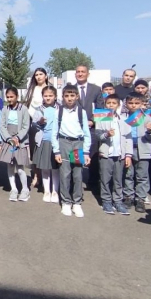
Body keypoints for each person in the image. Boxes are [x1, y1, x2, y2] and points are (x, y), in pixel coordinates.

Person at [52, 84, 91, 217]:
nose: (69, 98)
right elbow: (54, 133)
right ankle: (66, 202)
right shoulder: (59, 111)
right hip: (64, 143)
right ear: (62, 97)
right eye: (66, 96)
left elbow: (86, 133)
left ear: (77, 96)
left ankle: (77, 202)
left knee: (77, 174)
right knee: (65, 173)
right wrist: (56, 151)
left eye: (72, 96)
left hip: (77, 144)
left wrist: (86, 152)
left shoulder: (81, 112)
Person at [95, 93, 132, 215]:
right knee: (105, 178)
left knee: (118, 179)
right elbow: (98, 135)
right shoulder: (102, 117)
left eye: (114, 103)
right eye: (108, 103)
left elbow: (128, 138)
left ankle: (118, 201)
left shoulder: (123, 119)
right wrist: (106, 135)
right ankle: (106, 201)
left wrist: (128, 155)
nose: (111, 105)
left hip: (120, 154)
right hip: (106, 154)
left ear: (118, 105)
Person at [122, 92, 151, 213]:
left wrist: (149, 131)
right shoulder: (123, 117)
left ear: (142, 104)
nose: (133, 105)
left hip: (143, 149)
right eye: (130, 103)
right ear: (126, 104)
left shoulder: (147, 117)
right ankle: (128, 196)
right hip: (127, 149)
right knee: (128, 174)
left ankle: (140, 198)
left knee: (142, 175)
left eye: (137, 103)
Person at [0, 87, 31, 202]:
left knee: (20, 167)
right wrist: (8, 138)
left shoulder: (24, 109)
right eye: (7, 97)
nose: (9, 99)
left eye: (12, 97)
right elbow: (2, 126)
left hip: (19, 142)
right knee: (10, 165)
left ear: (17, 96)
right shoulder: (4, 109)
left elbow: (26, 126)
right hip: (8, 141)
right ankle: (14, 189)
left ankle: (25, 189)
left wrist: (17, 137)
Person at [74, 65, 103, 192]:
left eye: (83, 72)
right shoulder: (70, 89)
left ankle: (93, 182)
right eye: (78, 72)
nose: (80, 74)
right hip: (74, 129)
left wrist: (93, 121)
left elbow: (100, 108)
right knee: (76, 155)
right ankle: (75, 181)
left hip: (91, 128)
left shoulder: (96, 89)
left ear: (88, 74)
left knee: (92, 155)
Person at [31, 86, 60, 203]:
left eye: (50, 96)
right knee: (45, 168)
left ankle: (55, 191)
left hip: (56, 142)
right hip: (43, 140)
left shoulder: (60, 109)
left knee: (55, 168)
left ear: (55, 97)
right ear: (42, 97)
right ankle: (46, 190)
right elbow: (33, 124)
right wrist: (39, 122)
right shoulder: (39, 109)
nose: (48, 98)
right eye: (45, 96)